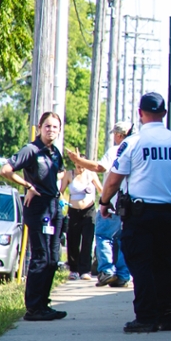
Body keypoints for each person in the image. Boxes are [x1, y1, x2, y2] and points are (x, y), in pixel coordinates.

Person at [98, 93, 171, 334]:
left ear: (140, 114)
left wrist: (104, 201)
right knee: (164, 265)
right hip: (168, 213)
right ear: (164, 114)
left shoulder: (133, 143)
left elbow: (113, 180)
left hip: (139, 214)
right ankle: (165, 315)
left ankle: (146, 317)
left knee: (140, 266)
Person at [0, 111, 67, 321]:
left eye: (55, 127)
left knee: (53, 259)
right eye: (47, 126)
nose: (51, 130)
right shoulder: (31, 150)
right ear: (39, 128)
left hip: (54, 207)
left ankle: (44, 304)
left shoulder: (55, 152)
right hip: (38, 208)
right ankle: (34, 308)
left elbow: (61, 173)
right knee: (41, 258)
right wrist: (28, 185)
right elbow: (5, 170)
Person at [69, 123, 131, 288]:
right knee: (122, 239)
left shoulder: (116, 150)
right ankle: (123, 275)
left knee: (104, 236)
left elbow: (99, 167)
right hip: (130, 203)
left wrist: (78, 160)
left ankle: (107, 271)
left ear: (119, 135)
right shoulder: (136, 149)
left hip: (113, 201)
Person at [60, 164, 99, 279]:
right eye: (78, 167)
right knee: (73, 240)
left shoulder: (90, 174)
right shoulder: (69, 175)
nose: (80, 169)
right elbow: (61, 191)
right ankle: (74, 269)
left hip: (89, 210)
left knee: (87, 240)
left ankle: (85, 270)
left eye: (83, 167)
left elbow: (101, 188)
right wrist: (62, 201)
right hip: (74, 210)